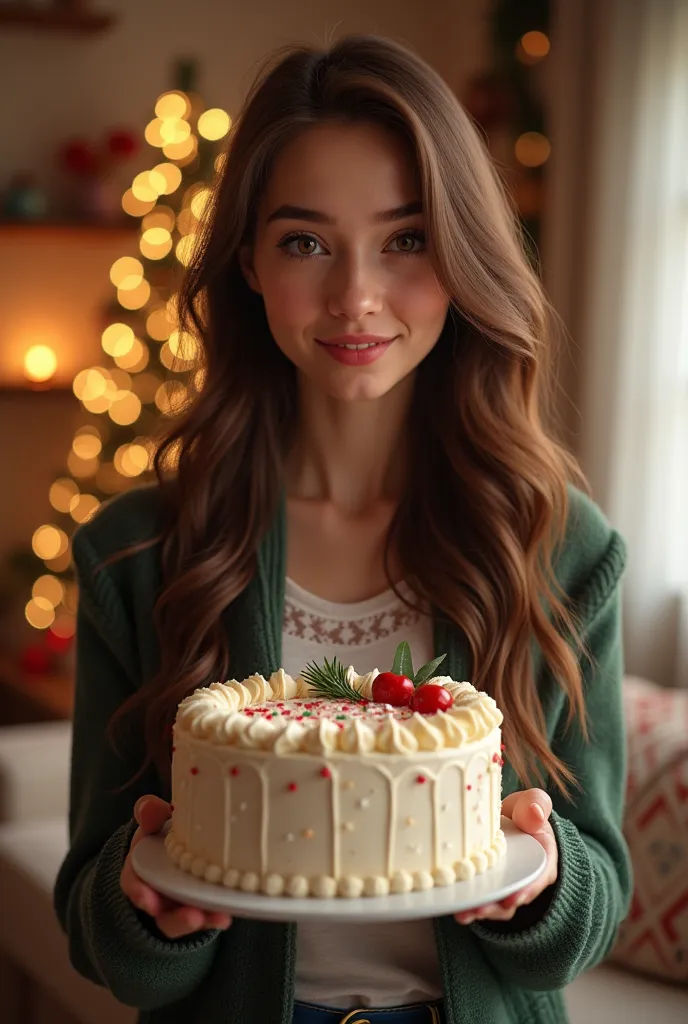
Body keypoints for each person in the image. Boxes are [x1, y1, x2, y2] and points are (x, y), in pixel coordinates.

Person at [53, 32, 632, 1024]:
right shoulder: (137, 556)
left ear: (459, 257)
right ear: (247, 261)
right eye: (305, 241)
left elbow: (596, 903)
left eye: (405, 239)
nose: (354, 295)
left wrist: (543, 879)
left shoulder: (554, 543)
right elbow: (101, 933)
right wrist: (143, 906)